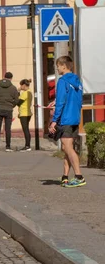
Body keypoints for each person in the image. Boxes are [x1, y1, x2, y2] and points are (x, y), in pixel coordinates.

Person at [49, 56, 86, 188]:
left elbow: (60, 102)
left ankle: (79, 176)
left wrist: (54, 121)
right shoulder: (77, 81)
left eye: (58, 65)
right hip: (75, 117)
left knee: (68, 148)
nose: (57, 68)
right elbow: (76, 100)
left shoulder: (63, 81)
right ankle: (65, 176)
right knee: (66, 148)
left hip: (66, 119)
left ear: (64, 66)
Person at [0, 72, 19, 152]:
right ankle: (8, 146)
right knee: (8, 129)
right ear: (11, 78)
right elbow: (16, 100)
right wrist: (11, 105)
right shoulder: (13, 88)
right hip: (9, 110)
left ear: (4, 77)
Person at [18, 79, 33, 151]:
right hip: (28, 113)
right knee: (26, 129)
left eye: (21, 85)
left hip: (24, 113)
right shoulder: (30, 92)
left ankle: (27, 145)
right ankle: (28, 145)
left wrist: (18, 92)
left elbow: (18, 102)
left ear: (24, 85)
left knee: (25, 129)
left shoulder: (25, 93)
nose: (20, 87)